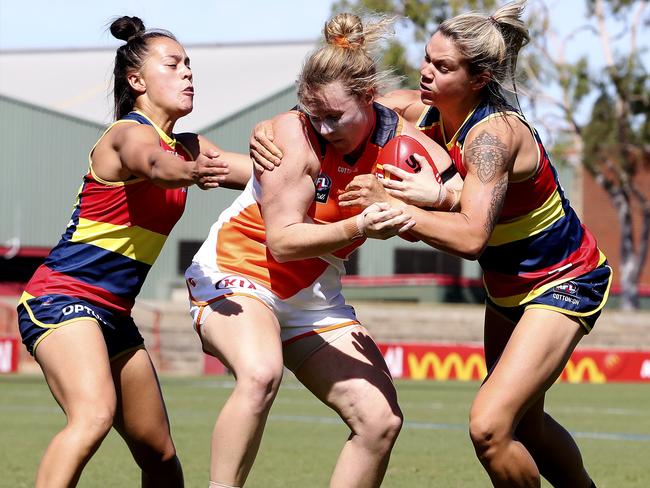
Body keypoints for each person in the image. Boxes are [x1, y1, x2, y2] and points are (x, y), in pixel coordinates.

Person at [252, 2, 611, 487]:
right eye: (427, 59)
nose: (426, 72)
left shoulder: (493, 137)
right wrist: (271, 127)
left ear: (479, 78)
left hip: (562, 279)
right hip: (507, 286)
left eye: (444, 67)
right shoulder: (413, 109)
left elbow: (470, 236)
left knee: (489, 427)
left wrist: (399, 208)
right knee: (525, 423)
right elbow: (330, 105)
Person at [185, 13, 463, 488]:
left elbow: (460, 200)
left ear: (368, 98)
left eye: (335, 115)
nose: (324, 126)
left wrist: (426, 201)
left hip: (313, 294)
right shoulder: (289, 136)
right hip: (239, 273)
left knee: (380, 422)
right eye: (314, 113)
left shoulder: (402, 140)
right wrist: (361, 223)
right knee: (260, 373)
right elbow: (284, 241)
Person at [16, 16, 267, 488]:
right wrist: (188, 171)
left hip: (112, 314)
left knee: (160, 456)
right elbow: (154, 165)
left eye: (190, 64)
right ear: (136, 81)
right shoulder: (126, 134)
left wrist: (320, 163)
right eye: (173, 64)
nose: (188, 73)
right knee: (92, 416)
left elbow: (260, 172)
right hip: (60, 298)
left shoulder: (189, 146)